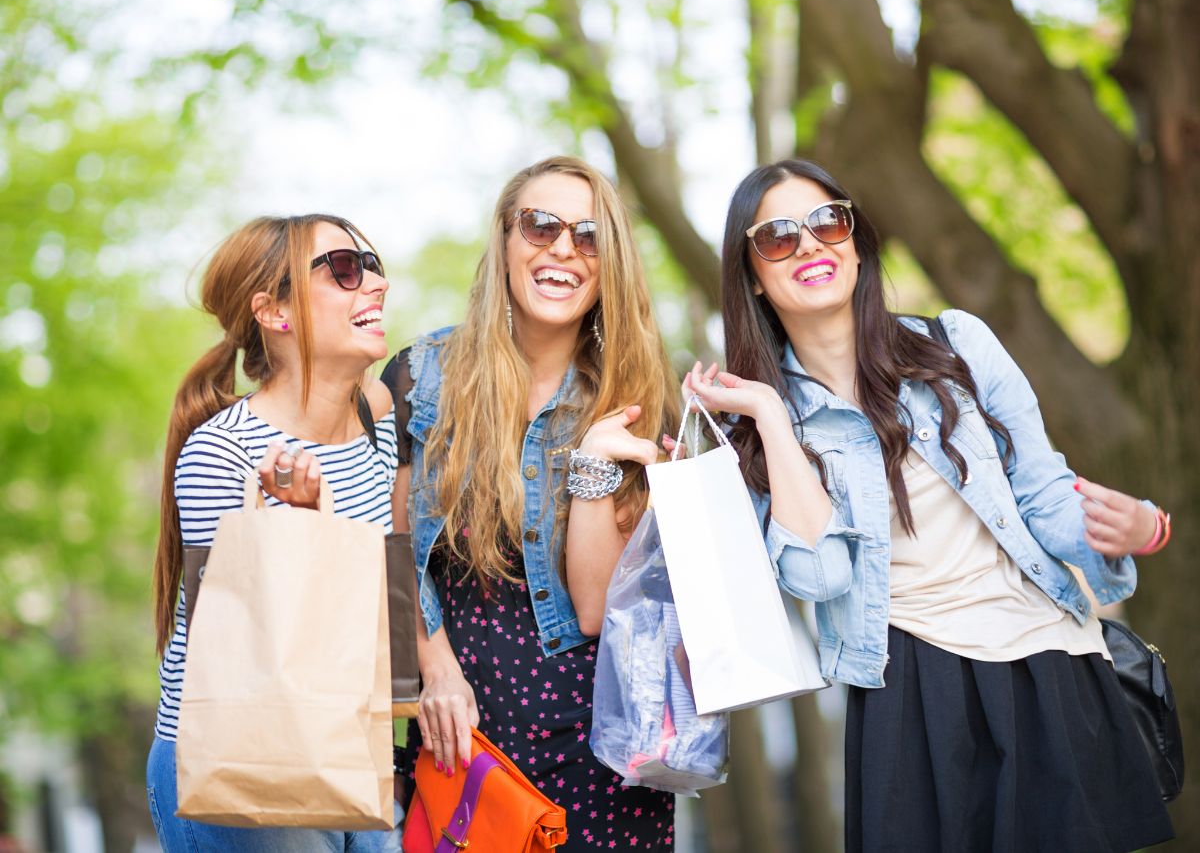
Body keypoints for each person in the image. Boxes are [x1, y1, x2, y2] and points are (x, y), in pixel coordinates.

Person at [682, 159, 1174, 852]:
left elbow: (1043, 493)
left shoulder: (956, 345)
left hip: (1045, 662)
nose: (811, 245)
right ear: (752, 274)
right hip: (908, 687)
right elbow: (821, 577)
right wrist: (767, 411)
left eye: (827, 222)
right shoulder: (758, 428)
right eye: (778, 238)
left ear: (855, 239)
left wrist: (1135, 528)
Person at [384, 156, 679, 850]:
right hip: (459, 729)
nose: (563, 250)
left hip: (598, 745)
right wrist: (437, 669)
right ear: (506, 240)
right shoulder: (421, 376)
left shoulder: (633, 398)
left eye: (589, 236)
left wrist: (593, 471)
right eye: (541, 226)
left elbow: (594, 608)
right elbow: (390, 552)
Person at [147, 214, 402, 852]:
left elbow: (387, 595)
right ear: (275, 312)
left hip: (342, 748)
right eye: (344, 270)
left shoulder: (378, 415)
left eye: (371, 265)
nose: (373, 283)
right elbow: (228, 651)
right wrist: (301, 528)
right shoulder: (222, 451)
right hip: (240, 760)